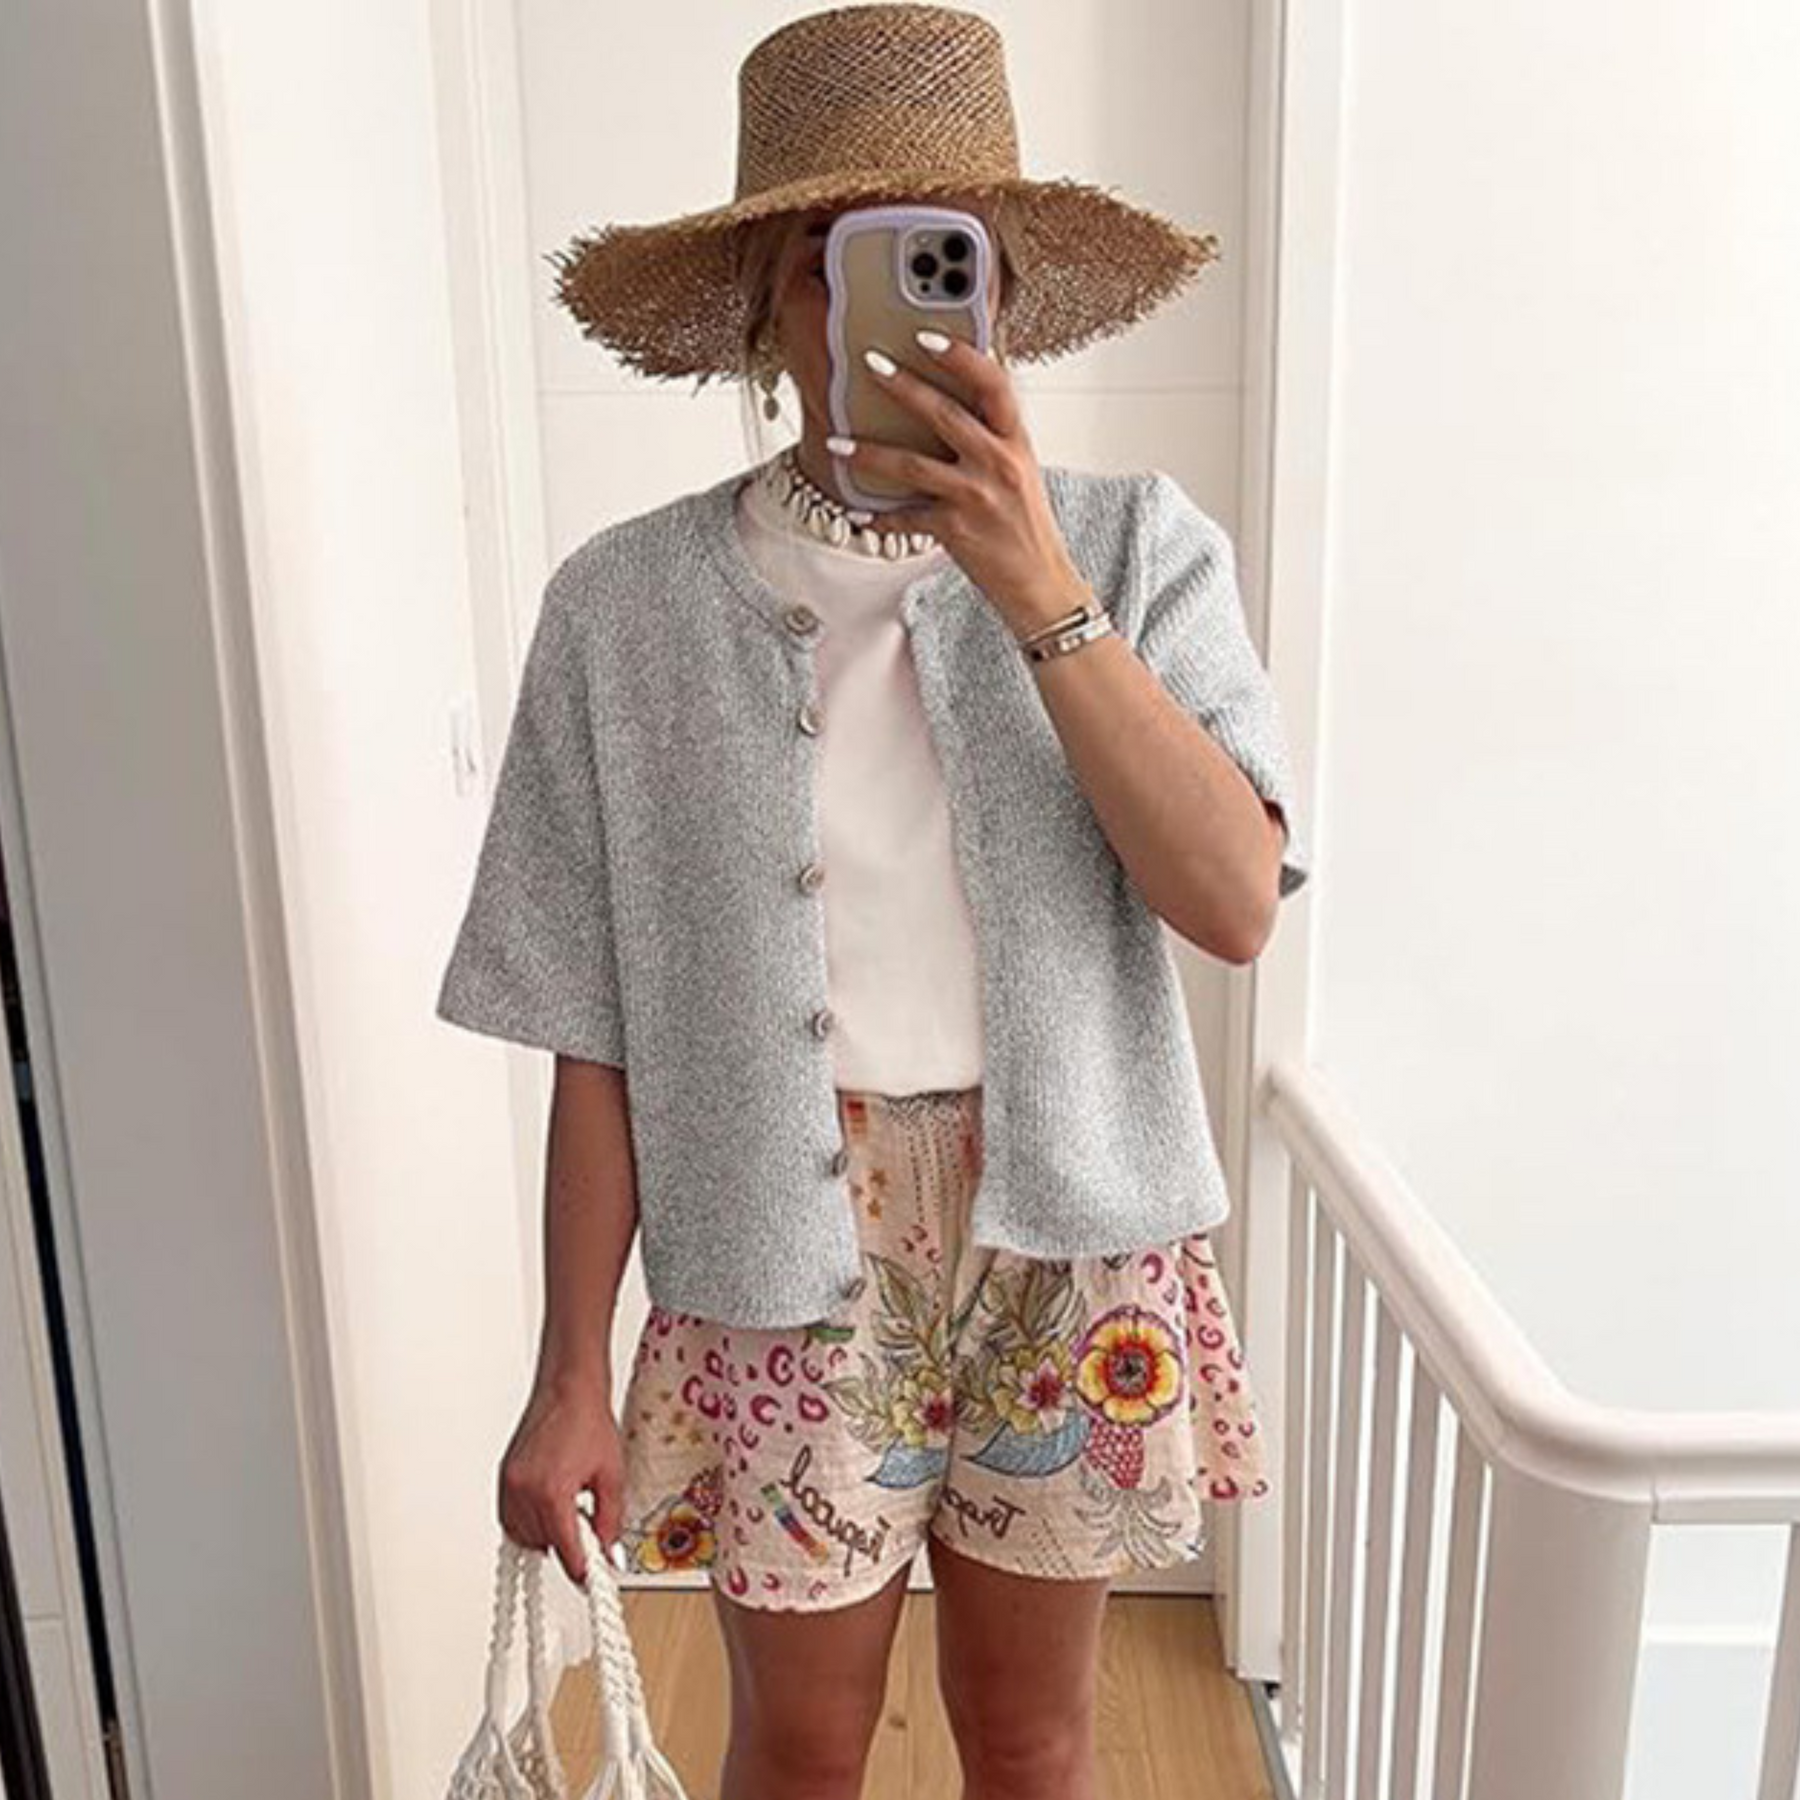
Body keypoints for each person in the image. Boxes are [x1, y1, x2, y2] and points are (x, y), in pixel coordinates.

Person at [436, 6, 1311, 1796]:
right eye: (833, 266)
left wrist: (1038, 588)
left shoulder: (1139, 548)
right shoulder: (624, 609)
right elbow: (594, 1032)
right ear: (769, 307)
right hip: (773, 1243)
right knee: (801, 1746)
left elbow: (1233, 900)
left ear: (1003, 298)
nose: (886, 319)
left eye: (938, 261)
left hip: (1069, 1242)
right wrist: (567, 1369)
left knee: (1035, 1741)